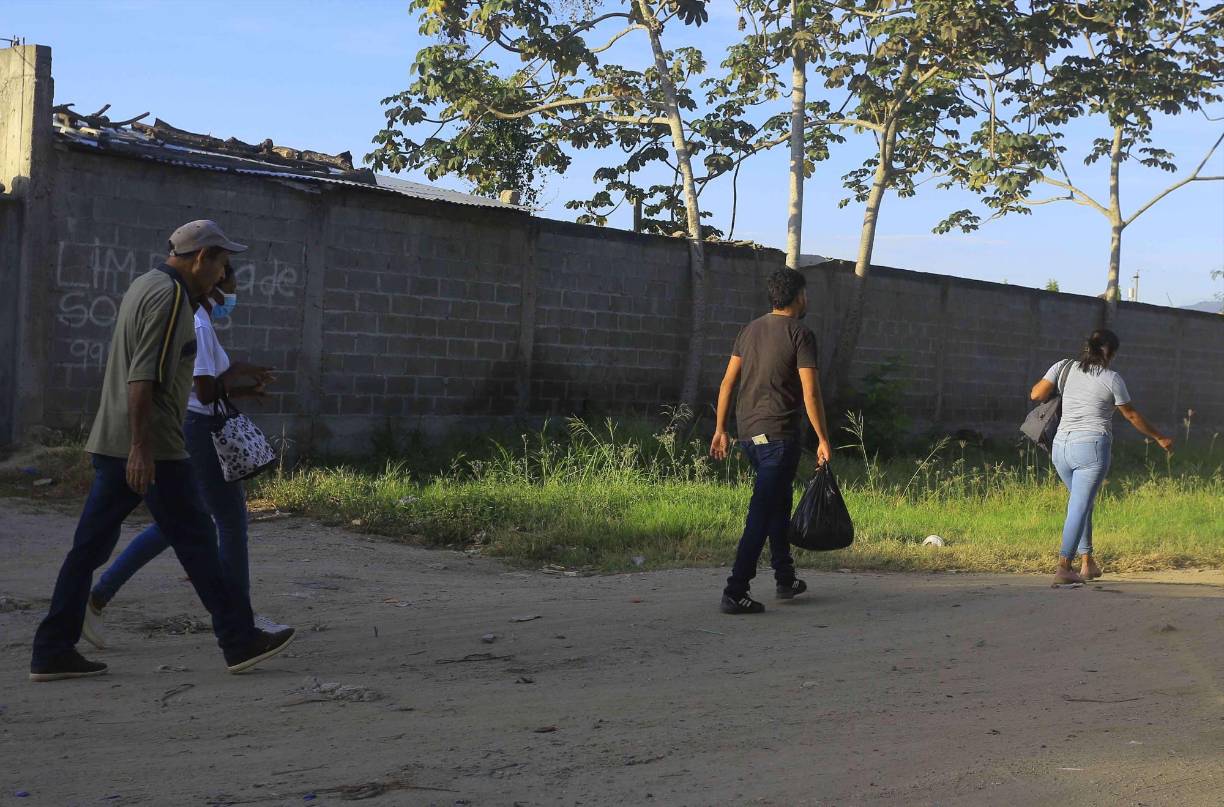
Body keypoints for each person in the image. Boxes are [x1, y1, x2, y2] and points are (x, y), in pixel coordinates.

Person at [29, 220, 295, 681]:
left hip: (116, 440)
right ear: (201, 258)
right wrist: (141, 448)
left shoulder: (146, 284)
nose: (222, 277)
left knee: (88, 549)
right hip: (152, 445)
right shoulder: (171, 297)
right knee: (199, 541)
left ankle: (52, 649)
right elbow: (142, 377)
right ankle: (239, 639)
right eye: (221, 265)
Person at [83, 266, 287, 649]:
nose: (231, 298)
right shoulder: (199, 322)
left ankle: (98, 595)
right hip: (199, 430)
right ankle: (241, 621)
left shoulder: (199, 318)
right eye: (229, 289)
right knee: (229, 523)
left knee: (177, 523)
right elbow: (205, 391)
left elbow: (205, 387)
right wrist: (238, 377)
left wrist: (242, 386)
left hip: (192, 425)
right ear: (213, 284)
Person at [709, 268, 833, 614]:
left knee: (778, 503)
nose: (807, 299)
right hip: (779, 437)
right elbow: (811, 391)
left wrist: (721, 429)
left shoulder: (749, 330)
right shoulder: (800, 334)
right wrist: (823, 438)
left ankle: (785, 577)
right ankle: (735, 591)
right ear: (798, 297)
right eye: (805, 294)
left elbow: (726, 383)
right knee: (762, 513)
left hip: (749, 436)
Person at [1030, 328, 1174, 585]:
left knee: (1081, 502)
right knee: (1080, 504)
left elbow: (1036, 395)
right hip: (1091, 447)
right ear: (1111, 354)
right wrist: (1159, 437)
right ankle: (1064, 566)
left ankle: (1088, 563)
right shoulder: (1112, 378)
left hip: (1060, 446)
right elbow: (1130, 414)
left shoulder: (1063, 366)